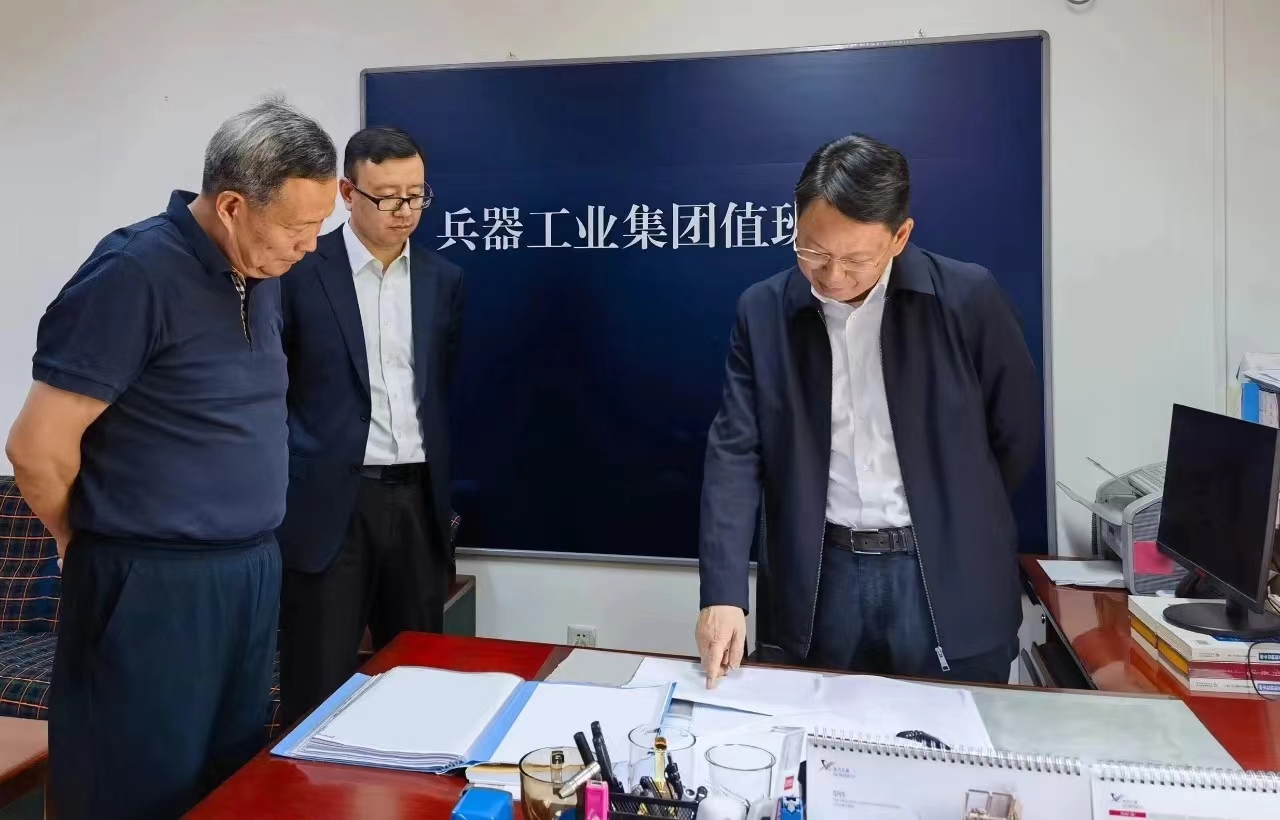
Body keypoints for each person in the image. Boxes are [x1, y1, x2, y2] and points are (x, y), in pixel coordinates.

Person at [4, 98, 336, 819]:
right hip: (151, 581)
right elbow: (36, 447)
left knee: (228, 782)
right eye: (297, 228)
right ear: (232, 206)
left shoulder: (260, 274)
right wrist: (82, 541)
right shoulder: (133, 272)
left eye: (318, 226)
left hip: (248, 570)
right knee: (135, 786)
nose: (309, 246)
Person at [696, 134, 1041, 687]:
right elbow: (735, 453)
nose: (832, 276)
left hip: (943, 575)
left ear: (900, 237)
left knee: (954, 730)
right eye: (813, 252)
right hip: (821, 575)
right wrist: (722, 593)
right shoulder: (763, 312)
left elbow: (1014, 435)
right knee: (813, 729)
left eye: (856, 259)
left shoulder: (966, 298)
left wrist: (955, 510)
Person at [276, 126, 464, 729]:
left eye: (415, 195)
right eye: (387, 197)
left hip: (417, 500)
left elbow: (438, 386)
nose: (404, 211)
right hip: (330, 504)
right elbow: (274, 389)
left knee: (416, 677)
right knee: (317, 681)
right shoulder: (298, 272)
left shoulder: (442, 279)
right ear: (347, 193)